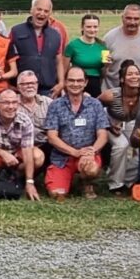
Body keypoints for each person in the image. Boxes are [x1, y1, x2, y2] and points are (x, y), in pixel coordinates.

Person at [43, 67, 110, 200]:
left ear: (85, 83)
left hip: (88, 155)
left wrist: (92, 151)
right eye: (71, 80)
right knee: (57, 194)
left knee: (90, 169)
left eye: (79, 81)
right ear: (65, 82)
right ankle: (70, 181)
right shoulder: (55, 105)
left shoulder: (95, 104)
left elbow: (103, 135)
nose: (75, 84)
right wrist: (74, 152)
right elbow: (51, 137)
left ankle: (86, 183)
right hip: (62, 157)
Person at [98, 60, 140, 194]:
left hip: (134, 122)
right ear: (122, 79)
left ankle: (128, 182)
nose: (134, 76)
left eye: (137, 74)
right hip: (112, 122)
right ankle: (115, 184)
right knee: (122, 145)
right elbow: (94, 107)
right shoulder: (111, 95)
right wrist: (108, 124)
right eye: (130, 74)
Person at [0, 89, 43, 200]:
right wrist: (3, 154)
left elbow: (27, 151)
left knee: (38, 157)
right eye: (6, 102)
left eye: (14, 102)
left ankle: (18, 177)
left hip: (17, 157)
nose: (11, 107)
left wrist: (29, 182)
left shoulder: (25, 121)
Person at [9, 0, 64, 96]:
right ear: (31, 10)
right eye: (39, 9)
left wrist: (61, 83)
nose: (42, 13)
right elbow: (7, 58)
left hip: (48, 90)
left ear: (50, 14)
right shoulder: (16, 31)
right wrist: (8, 84)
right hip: (22, 89)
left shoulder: (56, 35)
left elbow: (59, 61)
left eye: (46, 11)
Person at [103, 4, 140, 90]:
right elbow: (103, 66)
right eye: (128, 18)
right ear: (122, 18)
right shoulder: (109, 38)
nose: (132, 22)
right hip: (112, 90)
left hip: (137, 91)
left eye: (136, 19)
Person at [63, 14, 109, 97]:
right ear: (82, 27)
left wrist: (107, 66)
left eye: (95, 27)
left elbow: (104, 74)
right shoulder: (73, 45)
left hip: (95, 85)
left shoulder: (102, 46)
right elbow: (64, 70)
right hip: (77, 84)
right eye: (89, 27)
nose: (92, 30)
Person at [15, 70, 53, 163]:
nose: (30, 86)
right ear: (18, 87)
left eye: (33, 83)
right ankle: (17, 175)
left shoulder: (48, 103)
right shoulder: (11, 102)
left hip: (44, 145)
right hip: (20, 147)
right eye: (25, 84)